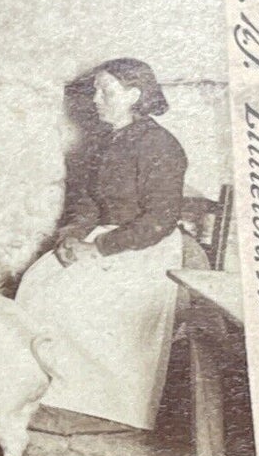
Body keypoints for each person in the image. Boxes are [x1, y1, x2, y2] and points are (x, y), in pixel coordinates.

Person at [15, 57, 188, 432]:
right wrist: (74, 235)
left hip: (144, 246)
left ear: (133, 95)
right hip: (103, 237)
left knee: (78, 300)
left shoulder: (161, 146)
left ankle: (108, 407)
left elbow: (159, 219)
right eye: (95, 90)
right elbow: (90, 202)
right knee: (37, 284)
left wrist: (100, 248)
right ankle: (58, 396)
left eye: (104, 91)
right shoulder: (105, 143)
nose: (95, 99)